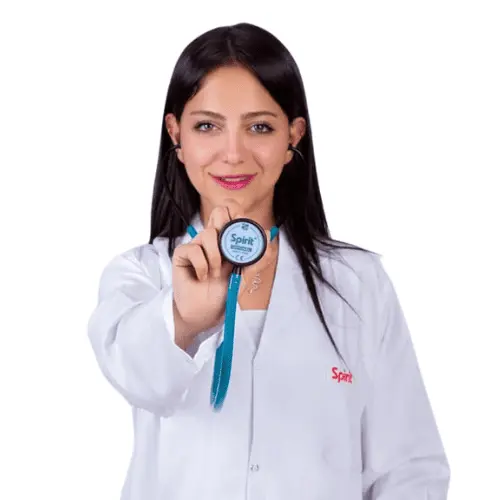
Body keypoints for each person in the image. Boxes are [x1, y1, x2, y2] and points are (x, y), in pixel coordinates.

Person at [87, 22, 450, 500]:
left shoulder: (360, 283)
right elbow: (142, 381)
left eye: (259, 127)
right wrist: (184, 319)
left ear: (293, 136)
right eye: (207, 126)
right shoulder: (141, 274)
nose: (233, 154)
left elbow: (408, 468)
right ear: (176, 134)